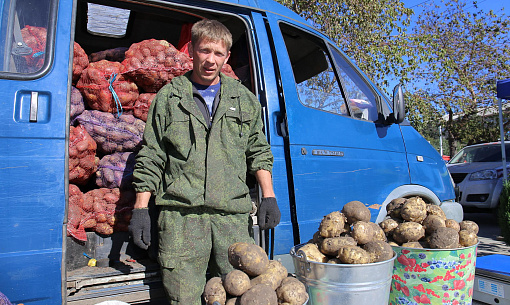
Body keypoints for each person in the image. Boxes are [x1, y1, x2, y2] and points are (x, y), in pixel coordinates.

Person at [129, 19, 280, 304]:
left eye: (218, 53)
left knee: (239, 295)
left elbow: (258, 150)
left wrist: (268, 196)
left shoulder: (244, 100)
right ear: (192, 50)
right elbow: (152, 154)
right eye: (205, 51)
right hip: (182, 220)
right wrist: (140, 209)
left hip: (231, 220)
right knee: (184, 298)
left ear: (227, 57)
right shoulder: (170, 97)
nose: (211, 60)